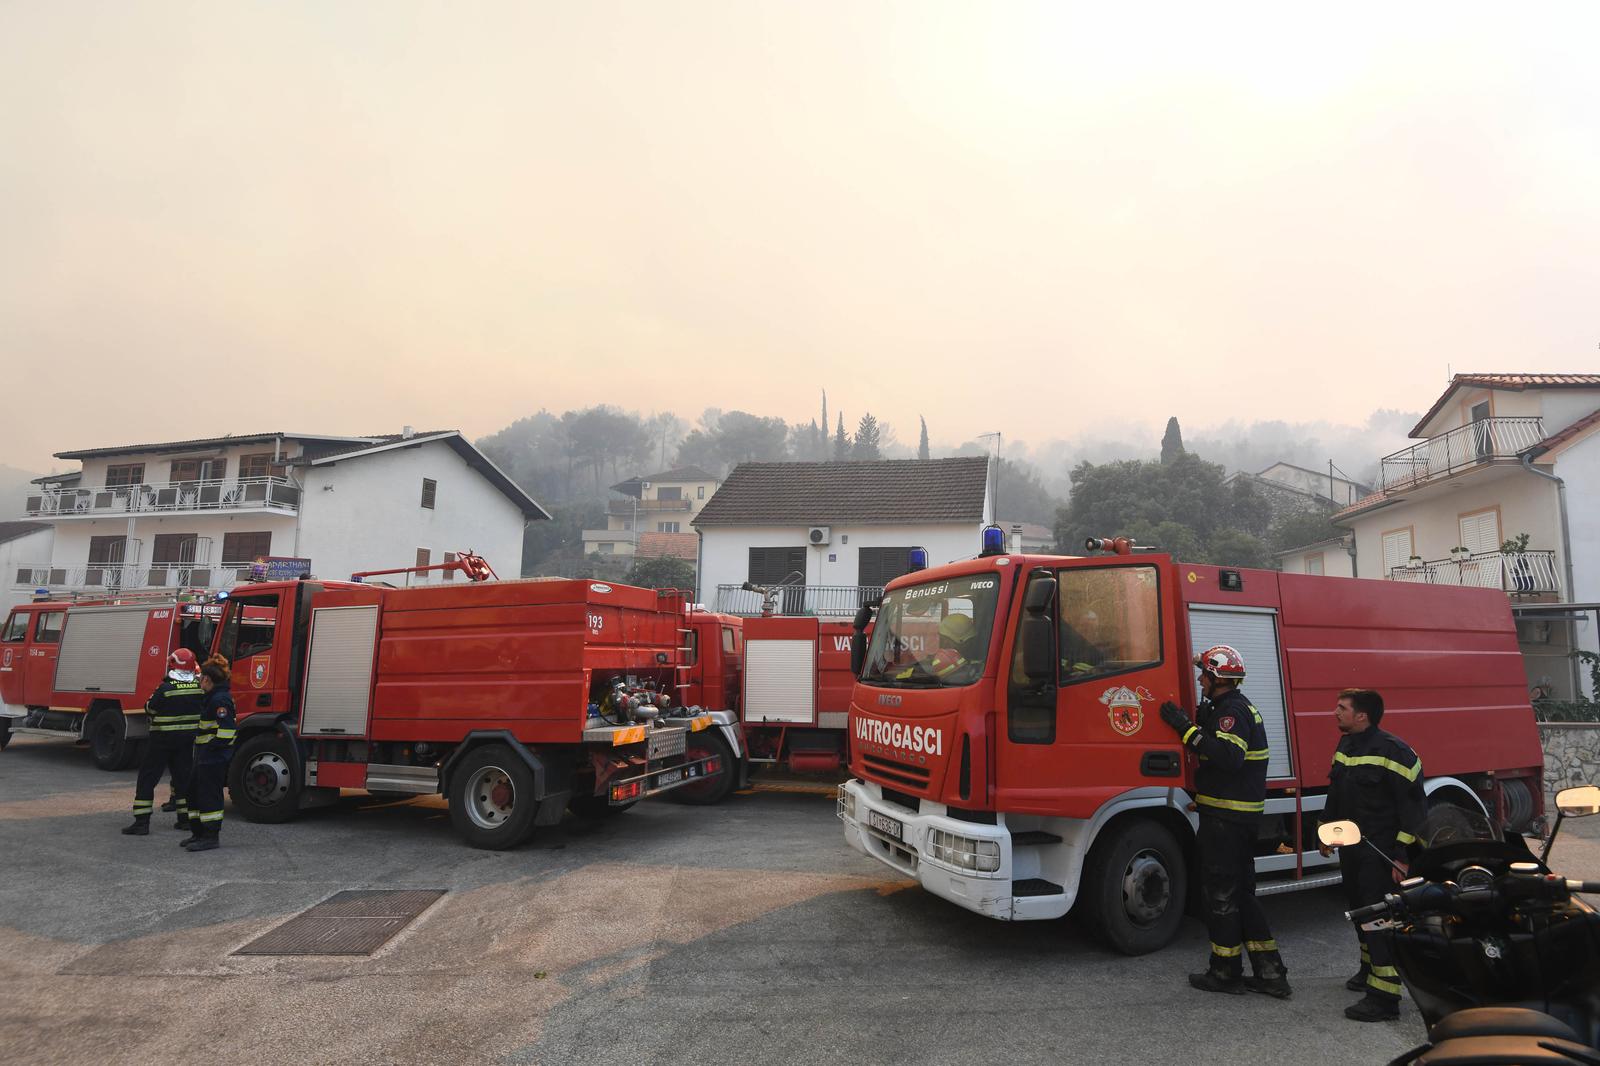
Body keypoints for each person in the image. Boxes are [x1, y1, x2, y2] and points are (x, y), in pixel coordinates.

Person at [1159, 645, 1289, 998]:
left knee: (1220, 897)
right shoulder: (1228, 708)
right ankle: (1270, 973)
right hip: (1234, 817)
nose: (1200, 678)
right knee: (1243, 897)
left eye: (1204, 674)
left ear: (1217, 678)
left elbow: (1229, 757)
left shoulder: (1233, 711)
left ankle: (1225, 972)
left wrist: (1187, 730)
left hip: (1227, 821)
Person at [1320, 688, 1424, 1022]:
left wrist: (1402, 856)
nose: (1335, 712)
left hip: (1381, 854)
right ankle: (1369, 971)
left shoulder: (1396, 753)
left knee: (1379, 921)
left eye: (1342, 708)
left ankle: (1384, 999)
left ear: (1361, 715)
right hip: (1352, 848)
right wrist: (1325, 832)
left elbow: (1414, 811)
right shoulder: (1346, 745)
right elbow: (1336, 793)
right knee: (1360, 912)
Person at [122, 649, 203, 836]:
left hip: (161, 741)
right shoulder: (198, 688)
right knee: (183, 780)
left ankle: (141, 823)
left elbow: (150, 708)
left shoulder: (165, 688)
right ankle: (185, 820)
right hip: (186, 742)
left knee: (147, 779)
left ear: (173, 665)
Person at [181, 655, 237, 852]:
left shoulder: (220, 700)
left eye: (201, 678)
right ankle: (198, 833)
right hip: (204, 755)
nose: (199, 681)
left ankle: (211, 836)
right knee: (193, 792)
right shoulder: (211, 698)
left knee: (209, 796)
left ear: (207, 679)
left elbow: (228, 731)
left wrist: (210, 748)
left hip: (213, 757)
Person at [896, 613, 977, 681]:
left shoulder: (970, 669)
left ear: (960, 640)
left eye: (943, 638)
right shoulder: (977, 667)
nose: (941, 642)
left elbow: (901, 678)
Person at [1061, 610, 1107, 677]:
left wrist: (1086, 673)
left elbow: (1108, 667)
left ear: (1097, 625)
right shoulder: (1069, 643)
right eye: (1084, 626)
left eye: (1091, 626)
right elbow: (1064, 663)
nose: (1088, 629)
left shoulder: (1107, 642)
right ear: (1078, 626)